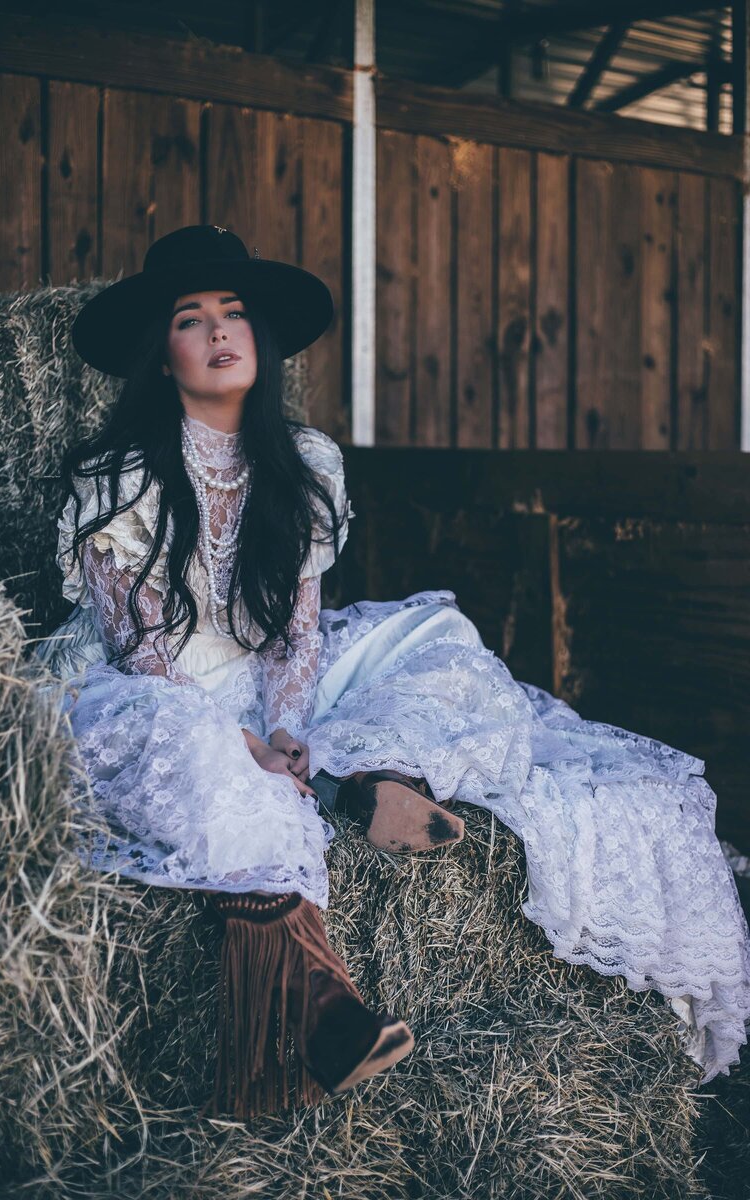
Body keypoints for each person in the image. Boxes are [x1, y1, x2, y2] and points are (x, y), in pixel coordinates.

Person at [38, 224, 750, 1122]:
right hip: (162, 690)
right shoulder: (119, 477)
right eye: (192, 319)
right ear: (163, 351)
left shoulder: (304, 465)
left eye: (235, 314)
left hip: (271, 686)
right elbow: (139, 646)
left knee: (433, 636)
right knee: (192, 755)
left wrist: (291, 730)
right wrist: (243, 744)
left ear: (260, 337)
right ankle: (322, 1006)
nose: (220, 332)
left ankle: (359, 772)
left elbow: (298, 633)